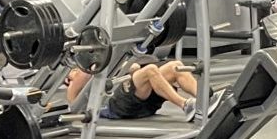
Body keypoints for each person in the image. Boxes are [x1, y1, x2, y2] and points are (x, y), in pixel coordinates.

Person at [66, 56, 200, 120]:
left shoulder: (103, 64)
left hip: (135, 98)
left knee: (174, 66)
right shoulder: (77, 78)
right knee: (150, 70)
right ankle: (185, 105)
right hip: (116, 106)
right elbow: (73, 106)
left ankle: (203, 100)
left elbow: (132, 67)